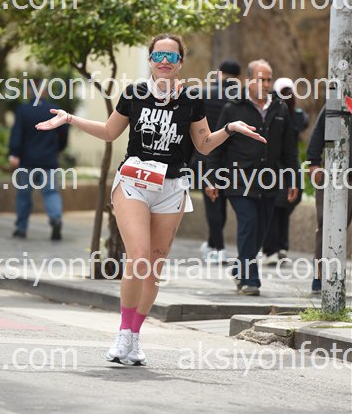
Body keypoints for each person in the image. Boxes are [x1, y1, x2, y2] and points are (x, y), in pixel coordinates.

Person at [35, 34, 266, 366]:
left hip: (171, 188)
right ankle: (122, 333)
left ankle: (134, 335)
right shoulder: (134, 94)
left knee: (154, 268)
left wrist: (229, 128)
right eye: (159, 56)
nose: (164, 62)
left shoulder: (191, 99)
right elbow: (109, 131)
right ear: (150, 60)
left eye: (171, 57)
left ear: (181, 62)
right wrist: (70, 119)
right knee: (139, 257)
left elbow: (202, 144)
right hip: (133, 182)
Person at [206, 60, 299, 296]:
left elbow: (289, 150)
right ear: (249, 81)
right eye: (260, 79)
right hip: (239, 180)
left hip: (269, 181)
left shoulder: (279, 109)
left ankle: (240, 268)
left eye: (268, 80)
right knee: (249, 223)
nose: (266, 84)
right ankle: (250, 280)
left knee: (261, 230)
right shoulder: (233, 108)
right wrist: (211, 178)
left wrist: (294, 179)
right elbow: (217, 146)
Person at [192, 59, 241, 264]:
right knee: (223, 204)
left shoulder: (203, 93)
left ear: (219, 73)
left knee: (212, 203)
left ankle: (218, 248)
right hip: (231, 158)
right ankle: (213, 244)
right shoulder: (241, 97)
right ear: (237, 77)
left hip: (205, 155)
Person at [9, 82, 68, 240]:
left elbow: (17, 133)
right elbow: (63, 134)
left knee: (23, 195)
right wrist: (58, 149)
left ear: (29, 91)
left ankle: (21, 228)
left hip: (26, 162)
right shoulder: (53, 110)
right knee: (51, 193)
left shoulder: (23, 110)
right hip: (48, 161)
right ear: (45, 91)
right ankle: (55, 219)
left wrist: (14, 153)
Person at [262, 77, 309, 265]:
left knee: (273, 208)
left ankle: (271, 249)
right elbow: (304, 122)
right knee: (283, 208)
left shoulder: (275, 110)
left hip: (276, 164)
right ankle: (282, 246)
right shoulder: (298, 114)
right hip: (291, 163)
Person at [307, 105, 352, 293]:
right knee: (327, 225)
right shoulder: (338, 104)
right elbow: (320, 134)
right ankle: (320, 277)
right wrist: (313, 163)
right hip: (335, 175)